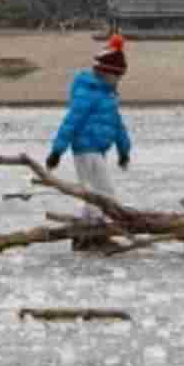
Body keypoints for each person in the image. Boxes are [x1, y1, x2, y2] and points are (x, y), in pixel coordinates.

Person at [44, 34, 132, 252]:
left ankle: (92, 225)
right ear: (105, 72)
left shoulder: (108, 95)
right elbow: (71, 122)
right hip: (84, 149)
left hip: (99, 150)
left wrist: (124, 150)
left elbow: (118, 125)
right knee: (97, 190)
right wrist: (57, 151)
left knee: (101, 189)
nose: (118, 81)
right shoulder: (88, 94)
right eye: (117, 76)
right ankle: (95, 228)